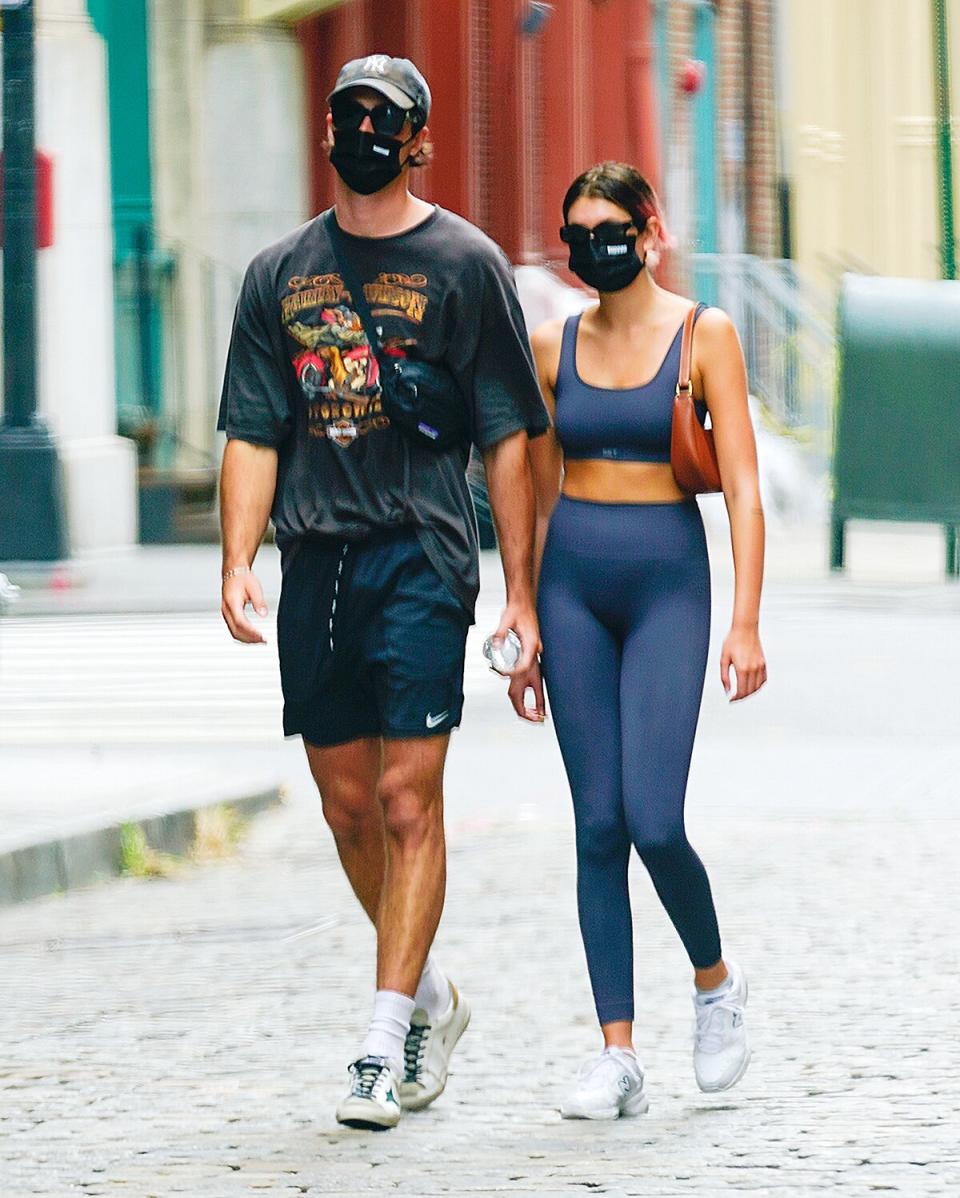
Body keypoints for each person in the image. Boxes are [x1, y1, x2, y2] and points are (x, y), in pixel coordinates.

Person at [217, 54, 548, 1131]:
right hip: (316, 559)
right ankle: (433, 997)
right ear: (328, 131)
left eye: (383, 118)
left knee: (409, 797)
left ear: (419, 140)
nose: (362, 130)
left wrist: (519, 593)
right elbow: (253, 430)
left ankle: (379, 1035)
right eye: (346, 114)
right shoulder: (279, 274)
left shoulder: (466, 264)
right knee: (348, 803)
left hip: (421, 551)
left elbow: (508, 437)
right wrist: (236, 560)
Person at [509, 161, 767, 1119]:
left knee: (655, 818)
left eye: (610, 227)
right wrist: (522, 612)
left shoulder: (706, 334)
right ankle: (617, 1055)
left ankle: (714, 980)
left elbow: (740, 483)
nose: (594, 247)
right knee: (596, 825)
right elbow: (533, 492)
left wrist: (744, 620)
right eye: (577, 231)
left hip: (666, 580)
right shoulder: (550, 345)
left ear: (649, 230)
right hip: (573, 584)